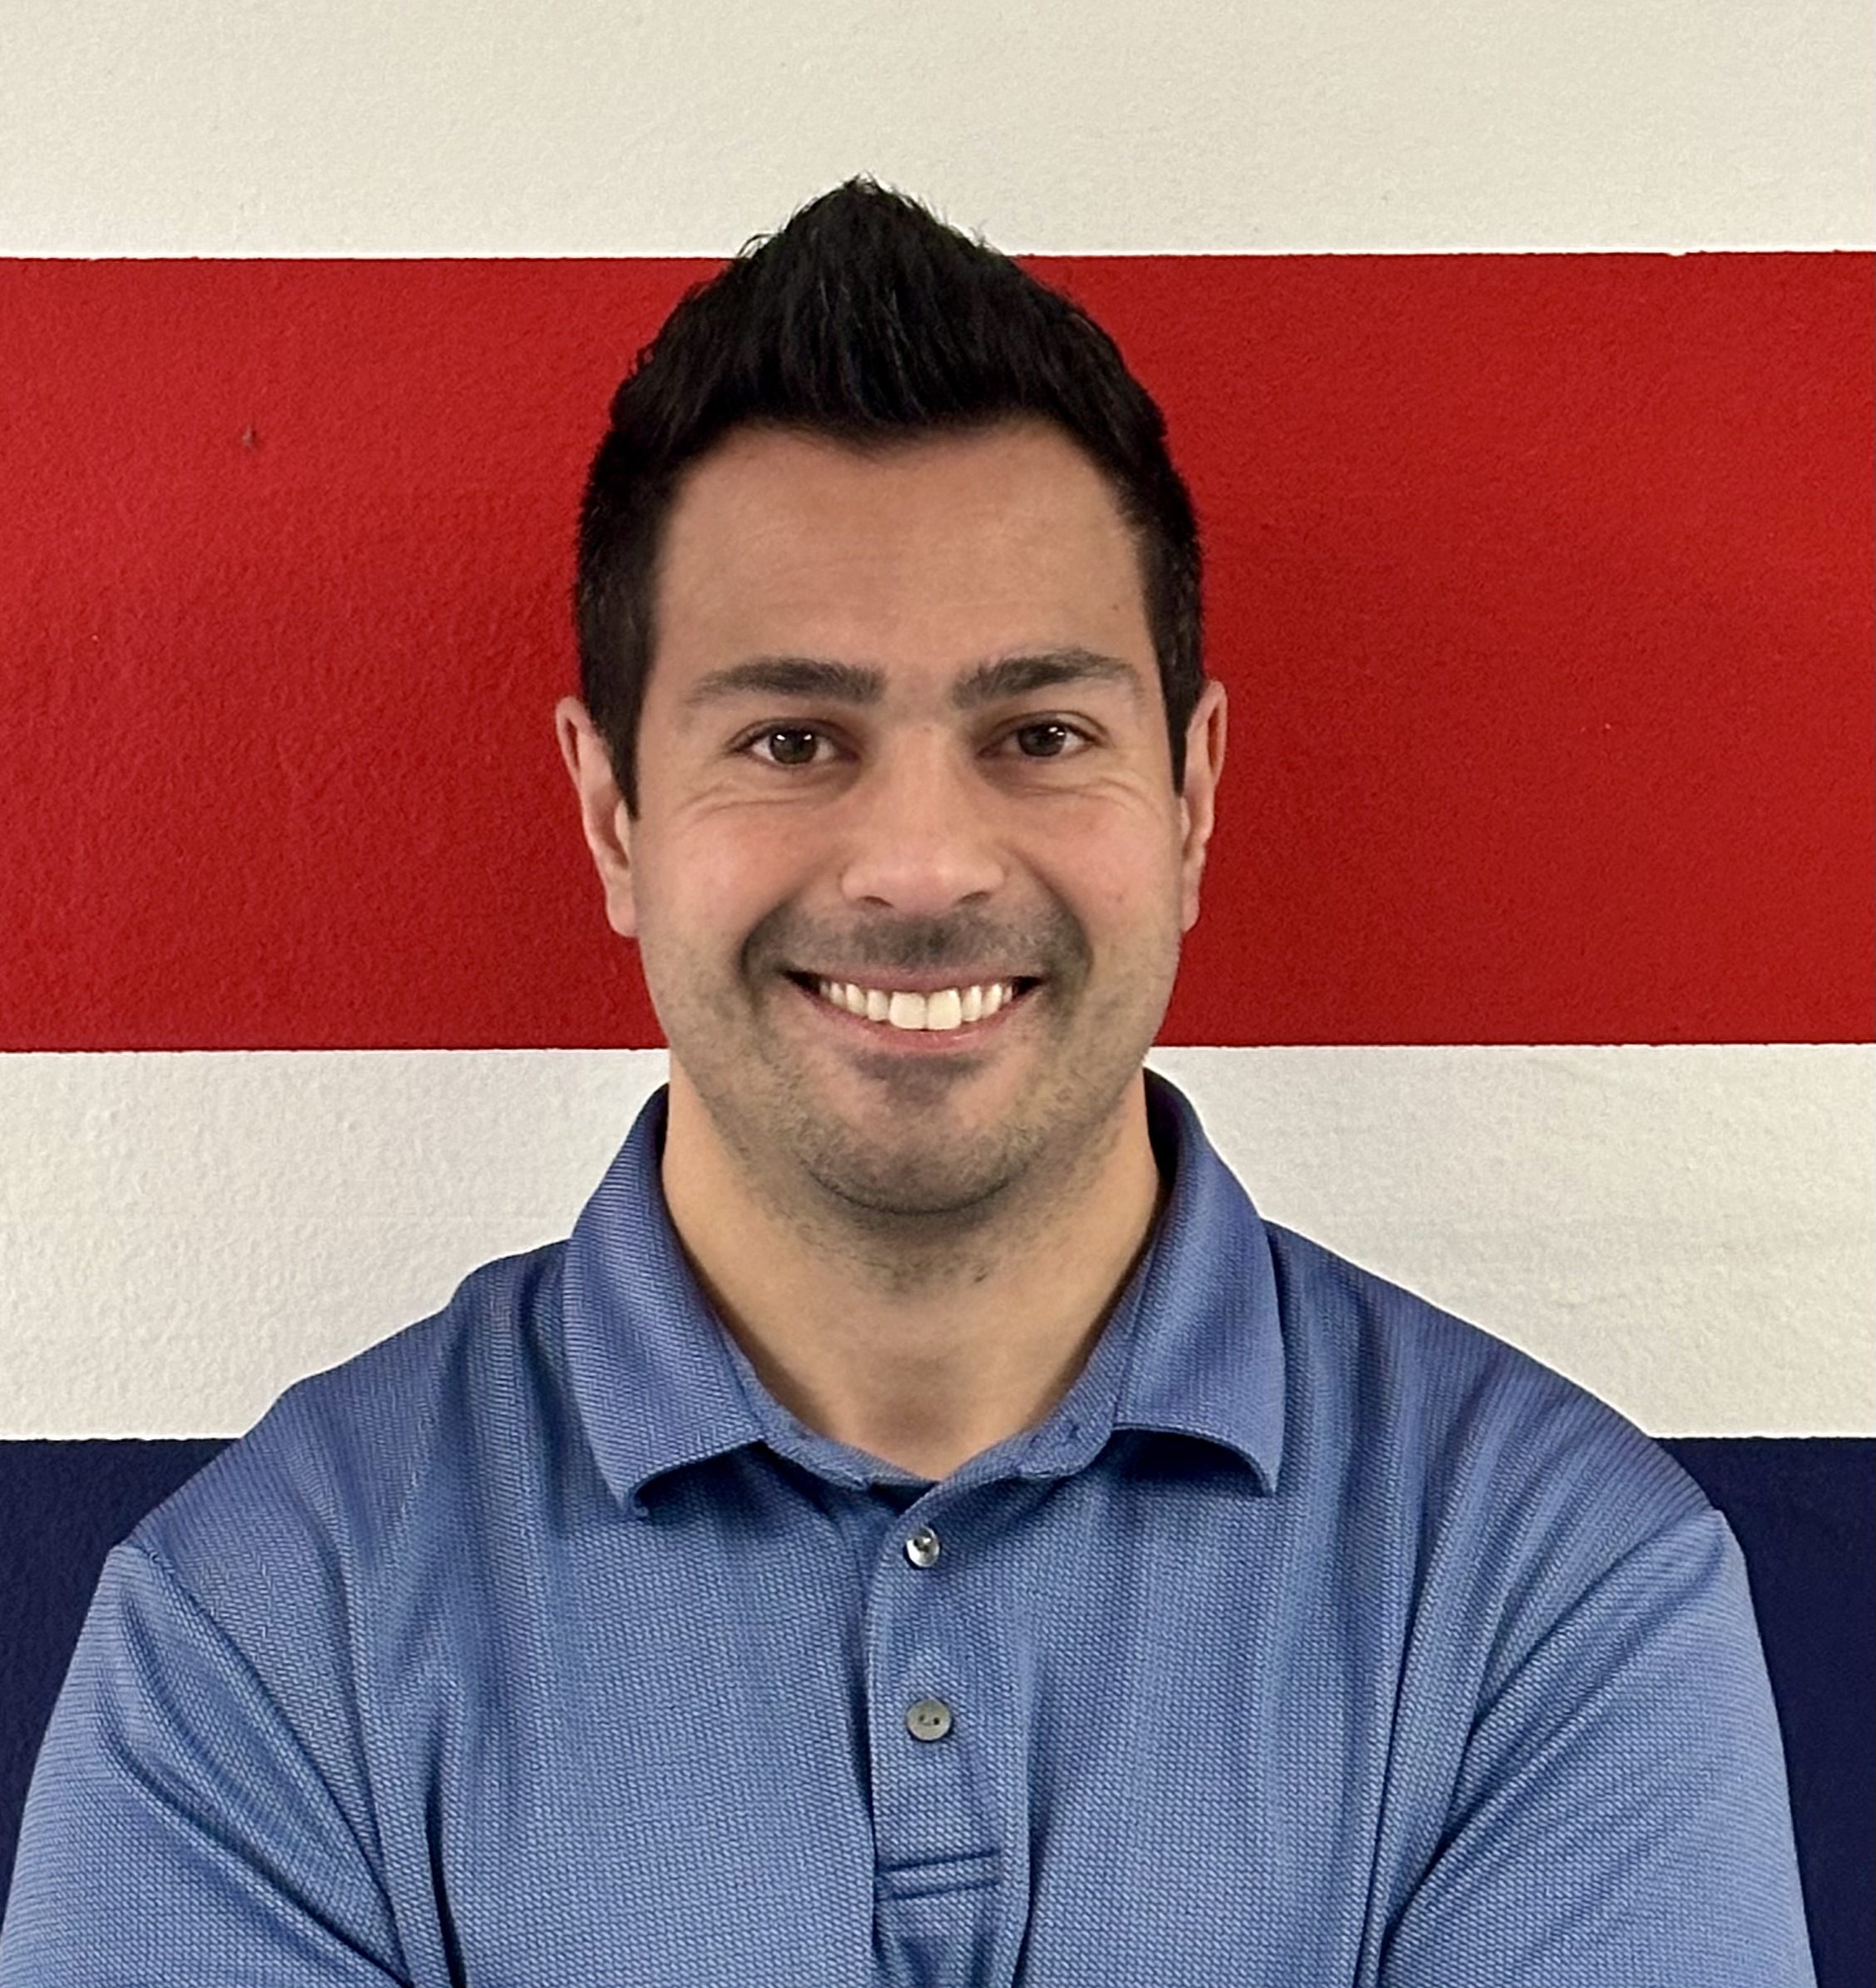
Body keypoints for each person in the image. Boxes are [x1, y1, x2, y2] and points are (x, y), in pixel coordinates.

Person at [0, 177, 1815, 1986]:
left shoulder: (1557, 1598)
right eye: (794, 738)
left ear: (1191, 794)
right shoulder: (257, 1645)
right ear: (612, 810)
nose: (925, 864)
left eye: (1039, 734)